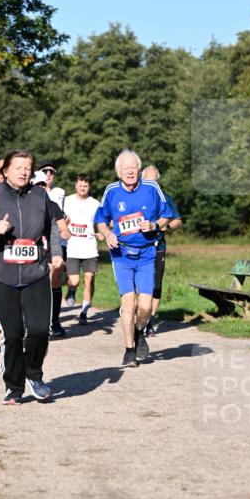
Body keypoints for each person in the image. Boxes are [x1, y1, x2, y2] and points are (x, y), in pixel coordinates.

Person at [0, 149, 65, 405]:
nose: (24, 172)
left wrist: (55, 254)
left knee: (39, 330)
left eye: (28, 168)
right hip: (1, 273)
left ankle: (34, 375)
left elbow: (52, 227)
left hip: (35, 271)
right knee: (13, 333)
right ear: (5, 171)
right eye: (18, 167)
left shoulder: (40, 195)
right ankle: (14, 387)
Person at [95, 149, 179, 367]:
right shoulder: (111, 191)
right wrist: (107, 233)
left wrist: (154, 225)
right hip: (121, 253)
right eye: (125, 168)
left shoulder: (151, 188)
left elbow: (167, 215)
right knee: (128, 302)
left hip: (147, 254)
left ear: (139, 170)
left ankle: (140, 331)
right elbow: (101, 220)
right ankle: (129, 349)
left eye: (133, 168)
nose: (130, 172)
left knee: (145, 307)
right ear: (118, 171)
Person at [141, 166, 183, 336]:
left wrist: (168, 226)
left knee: (156, 285)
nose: (152, 184)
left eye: (155, 181)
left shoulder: (165, 198)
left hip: (159, 247)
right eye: (148, 181)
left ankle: (150, 321)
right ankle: (139, 318)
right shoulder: (135, 197)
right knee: (141, 285)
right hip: (140, 247)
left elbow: (178, 220)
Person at [63, 174, 102, 324]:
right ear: (75, 185)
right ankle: (71, 291)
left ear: (89, 187)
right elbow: (59, 219)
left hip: (89, 247)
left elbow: (100, 222)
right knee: (74, 281)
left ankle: (84, 311)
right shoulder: (67, 201)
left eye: (85, 185)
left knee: (89, 279)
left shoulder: (95, 204)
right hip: (72, 247)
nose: (83, 188)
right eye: (80, 185)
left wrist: (100, 233)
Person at [37, 159, 67, 338]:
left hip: (55, 240)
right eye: (45, 171)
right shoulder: (29, 193)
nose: (48, 174)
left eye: (52, 172)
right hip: (36, 242)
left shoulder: (59, 193)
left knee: (55, 278)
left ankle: (54, 320)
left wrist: (66, 226)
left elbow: (62, 215)